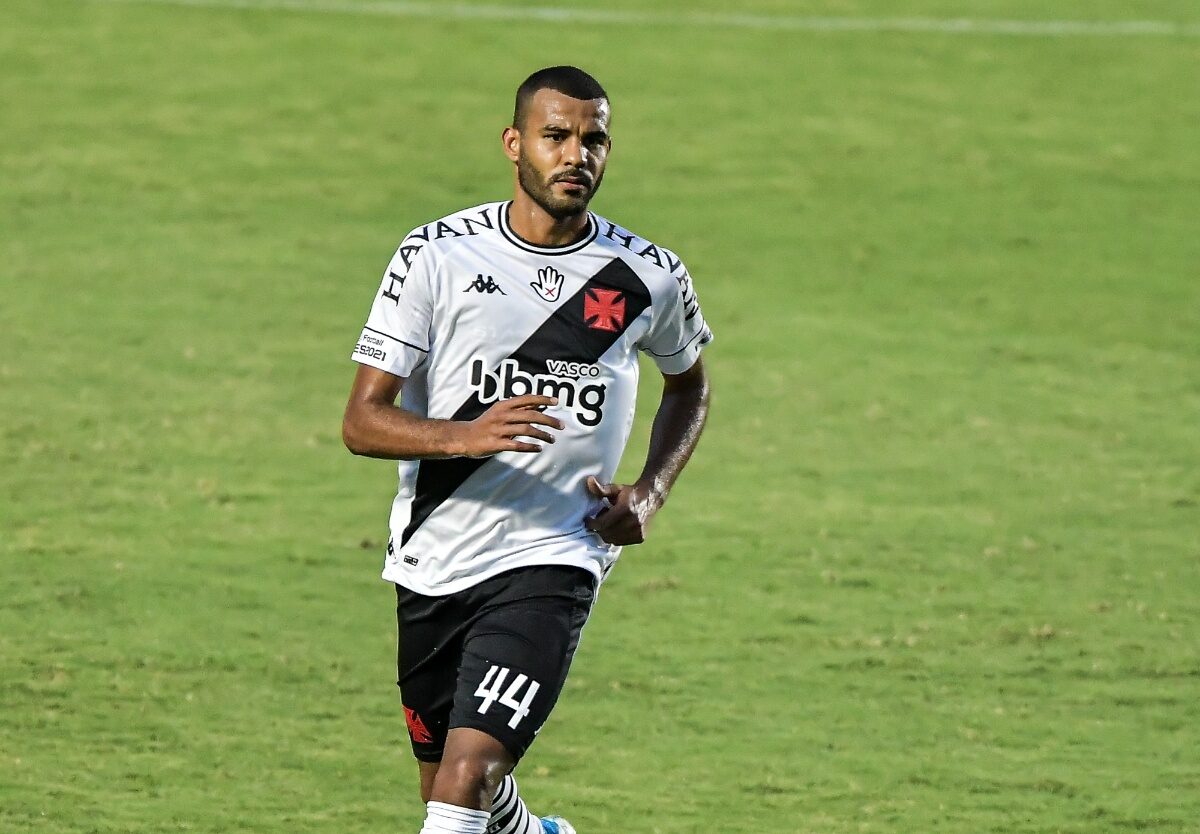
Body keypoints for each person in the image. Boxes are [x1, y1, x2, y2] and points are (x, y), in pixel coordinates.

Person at [342, 65, 713, 834]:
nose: (576, 155)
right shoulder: (435, 255)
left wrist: (650, 491)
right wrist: (466, 436)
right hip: (436, 554)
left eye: (593, 139)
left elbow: (690, 387)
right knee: (447, 784)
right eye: (556, 136)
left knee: (467, 778)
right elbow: (362, 422)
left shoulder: (646, 275)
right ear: (515, 144)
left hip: (557, 552)